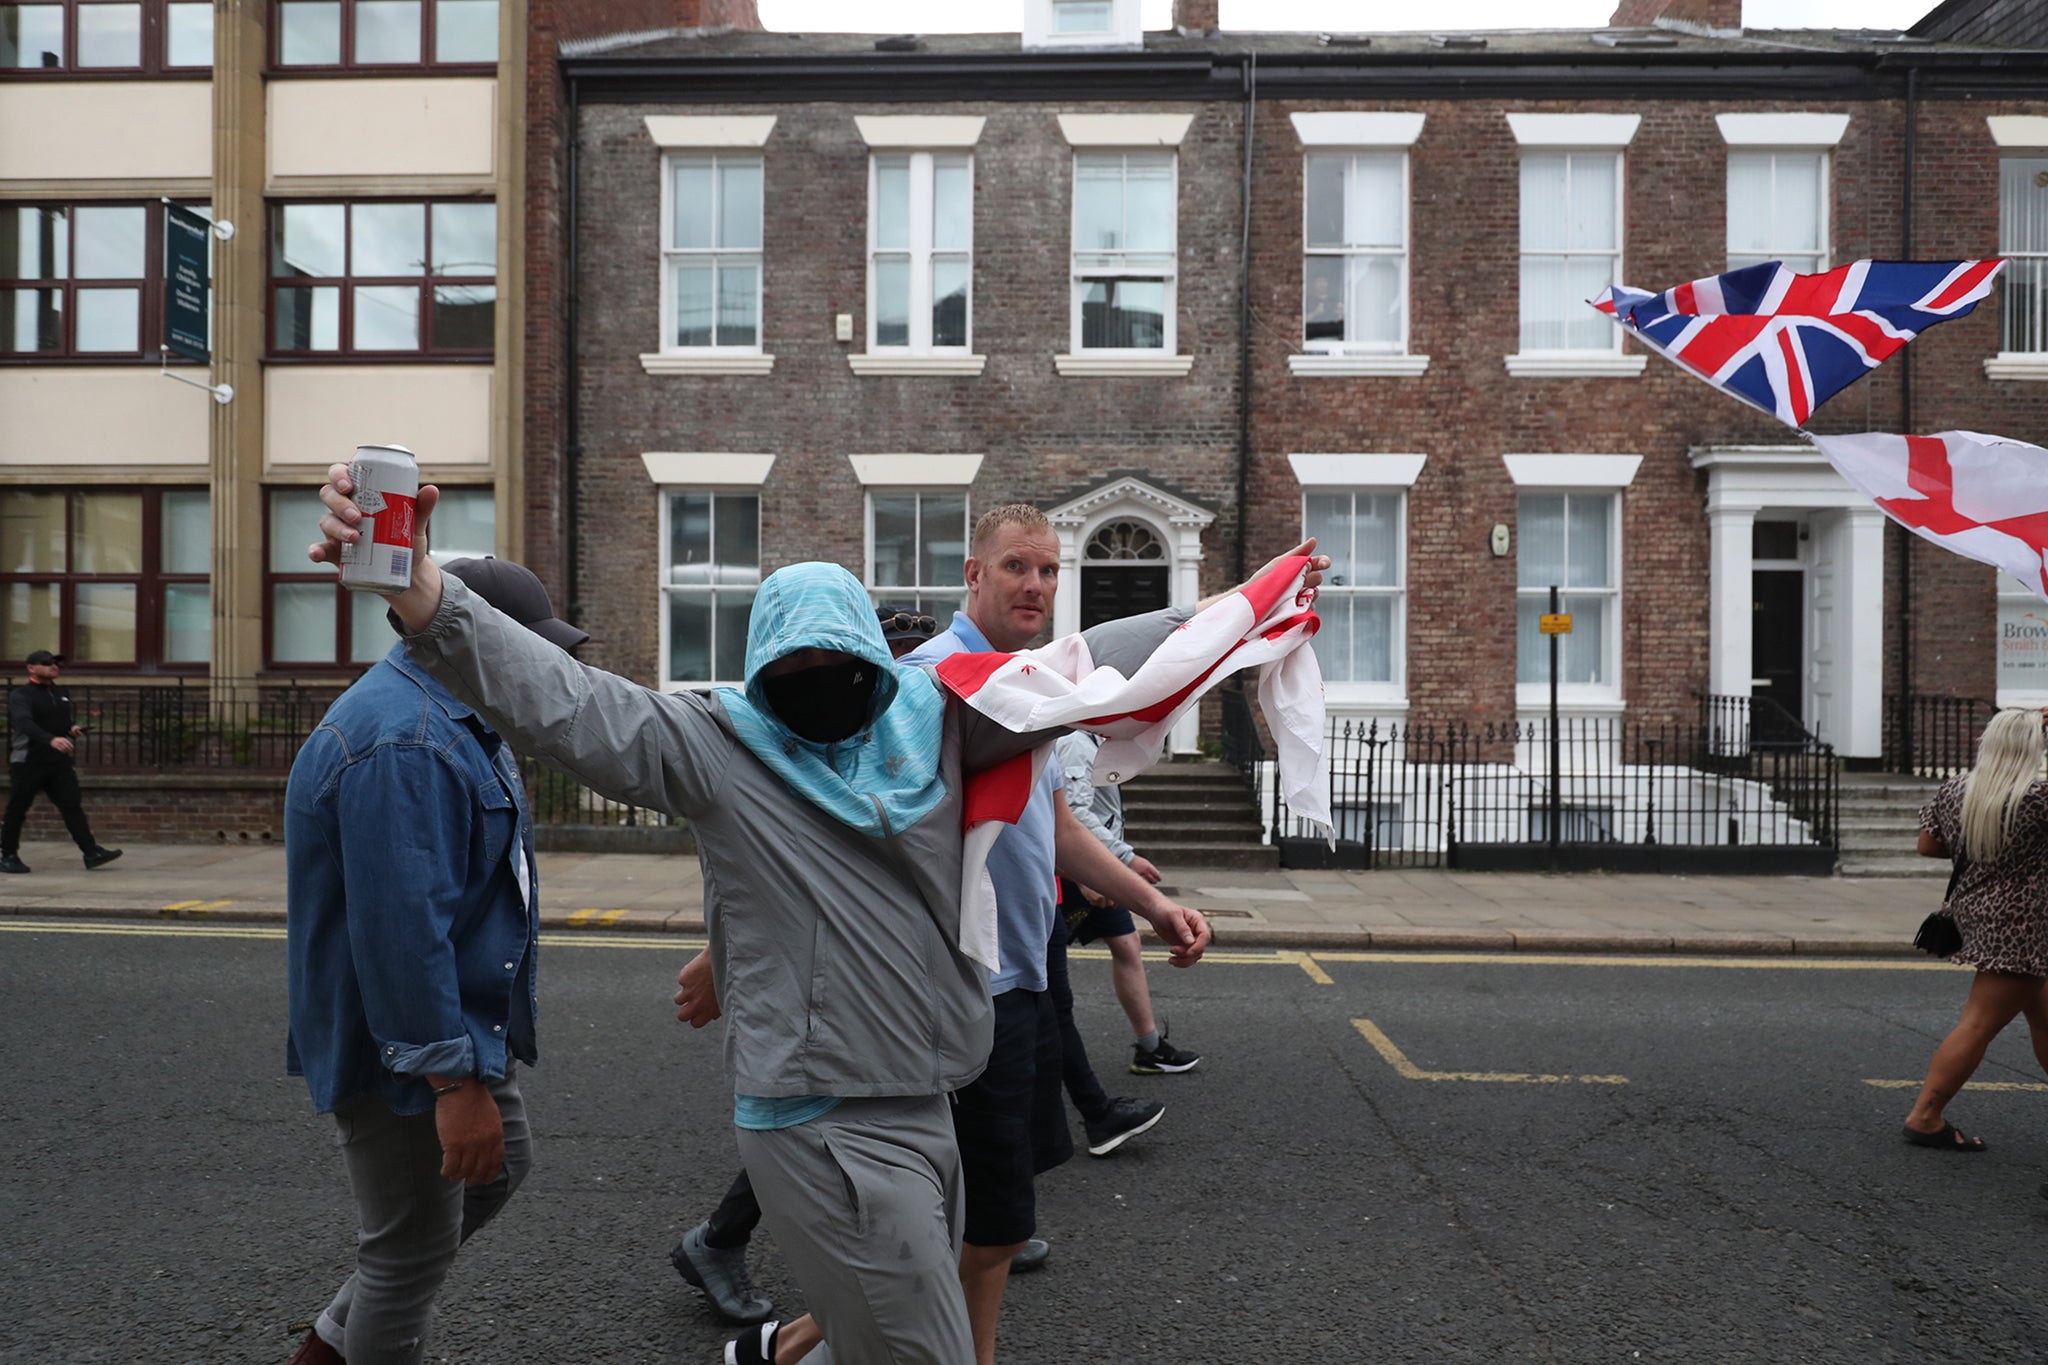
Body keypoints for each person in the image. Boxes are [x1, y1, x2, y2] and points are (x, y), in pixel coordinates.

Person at [312, 472, 1284, 1365]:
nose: (820, 679)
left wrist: (1239, 610)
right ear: (758, 663)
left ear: (872, 654)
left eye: (840, 662)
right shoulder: (712, 742)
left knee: (872, 1334)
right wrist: (414, 584)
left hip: (929, 1096)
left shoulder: (932, 715)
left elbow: (1082, 670)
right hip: (821, 1121)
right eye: (795, 665)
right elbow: (559, 699)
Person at [756, 504, 1246, 1365]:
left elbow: (1058, 828)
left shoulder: (1031, 685)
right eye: (1018, 566)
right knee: (987, 1224)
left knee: (988, 1221)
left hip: (1026, 979)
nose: (1037, 584)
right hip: (952, 993)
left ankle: (791, 1344)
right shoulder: (926, 683)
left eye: (1050, 570)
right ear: (974, 574)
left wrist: (1154, 904)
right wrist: (723, 953)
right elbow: (840, 832)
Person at [282, 556, 588, 1365]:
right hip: (407, 1047)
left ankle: (332, 1344)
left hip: (455, 1024)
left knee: (500, 1164)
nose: (538, 667)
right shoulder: (406, 742)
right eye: (526, 646)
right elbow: (401, 934)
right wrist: (451, 1082)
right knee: (408, 1253)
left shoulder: (456, 714)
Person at [665, 607, 936, 1328]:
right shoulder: (744, 743)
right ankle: (724, 1245)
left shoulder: (949, 715)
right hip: (813, 1057)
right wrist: (721, 958)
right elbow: (759, 875)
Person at [1902, 706, 2048, 1154]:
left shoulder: (1958, 789)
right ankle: (1925, 1117)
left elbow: (1928, 844)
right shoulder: (2039, 798)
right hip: (2026, 925)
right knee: (1978, 1024)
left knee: (2043, 1014)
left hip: (1978, 911)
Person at [1057, 727, 1203, 1077]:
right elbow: (1074, 814)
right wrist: (1123, 859)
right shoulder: (1077, 743)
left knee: (1127, 944)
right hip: (1081, 871)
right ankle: (1032, 1052)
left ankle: (1150, 1048)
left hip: (1102, 870)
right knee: (1045, 964)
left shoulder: (1098, 742)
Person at [2, 649, 120, 874]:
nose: (53, 666)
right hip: (28, 760)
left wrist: (71, 729)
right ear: (31, 668)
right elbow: (24, 723)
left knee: (71, 805)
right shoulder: (21, 695)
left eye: (56, 663)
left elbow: (60, 721)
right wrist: (50, 739)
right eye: (47, 663)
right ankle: (8, 855)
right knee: (17, 808)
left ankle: (91, 852)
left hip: (57, 761)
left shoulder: (60, 693)